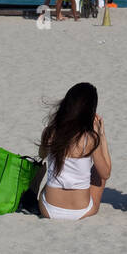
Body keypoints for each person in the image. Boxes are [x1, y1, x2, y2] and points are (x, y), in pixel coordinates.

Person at [38, 82, 112, 221]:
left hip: (48, 210)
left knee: (47, 172)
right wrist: (101, 136)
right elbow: (106, 173)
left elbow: (42, 155)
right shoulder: (89, 139)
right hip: (81, 211)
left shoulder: (50, 132)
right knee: (99, 171)